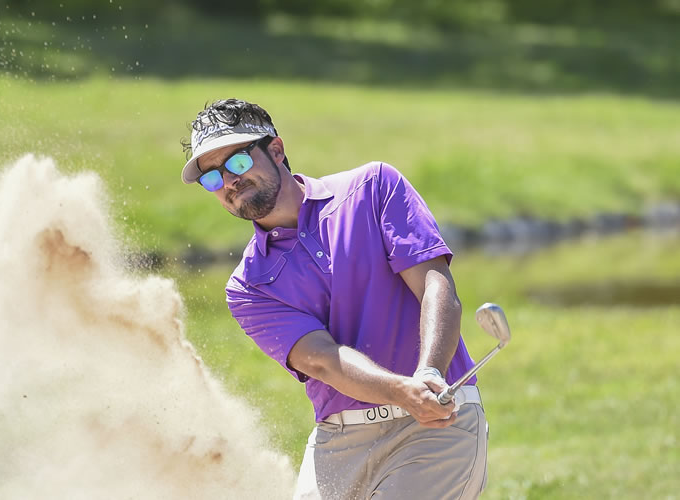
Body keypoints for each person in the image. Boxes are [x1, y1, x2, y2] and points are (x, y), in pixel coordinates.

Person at [180, 98, 488, 499]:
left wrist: (429, 373)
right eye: (212, 178)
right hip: (338, 440)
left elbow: (435, 284)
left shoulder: (373, 188)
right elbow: (321, 359)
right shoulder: (248, 286)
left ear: (276, 150)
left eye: (237, 163)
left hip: (435, 423)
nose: (228, 182)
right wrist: (401, 391)